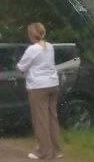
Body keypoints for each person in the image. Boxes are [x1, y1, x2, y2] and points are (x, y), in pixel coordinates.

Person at [17, 22, 63, 160]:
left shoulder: (32, 49)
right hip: (53, 84)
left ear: (31, 34)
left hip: (38, 87)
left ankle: (44, 152)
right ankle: (56, 150)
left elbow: (21, 67)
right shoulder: (50, 47)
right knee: (52, 118)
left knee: (40, 120)